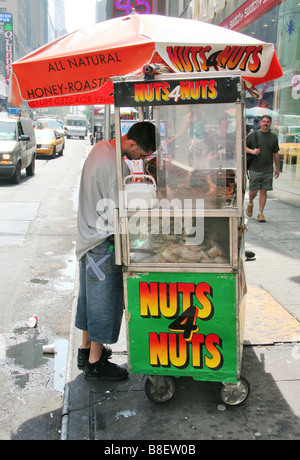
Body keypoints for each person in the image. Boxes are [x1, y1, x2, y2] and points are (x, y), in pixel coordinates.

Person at [75, 121, 159, 381]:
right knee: (104, 302)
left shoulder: (101, 148)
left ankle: (85, 349)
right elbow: (119, 213)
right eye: (142, 155)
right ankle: (95, 363)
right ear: (131, 143)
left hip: (87, 235)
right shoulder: (115, 166)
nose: (141, 159)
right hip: (102, 241)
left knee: (89, 298)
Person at [246, 115, 280, 222]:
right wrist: (253, 151)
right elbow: (243, 147)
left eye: (268, 122)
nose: (266, 123)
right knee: (253, 190)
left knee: (264, 191)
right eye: (264, 121)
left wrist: (277, 168)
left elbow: (275, 153)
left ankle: (261, 213)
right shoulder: (253, 135)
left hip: (268, 169)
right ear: (260, 123)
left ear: (270, 123)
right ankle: (250, 202)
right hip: (254, 168)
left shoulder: (273, 137)